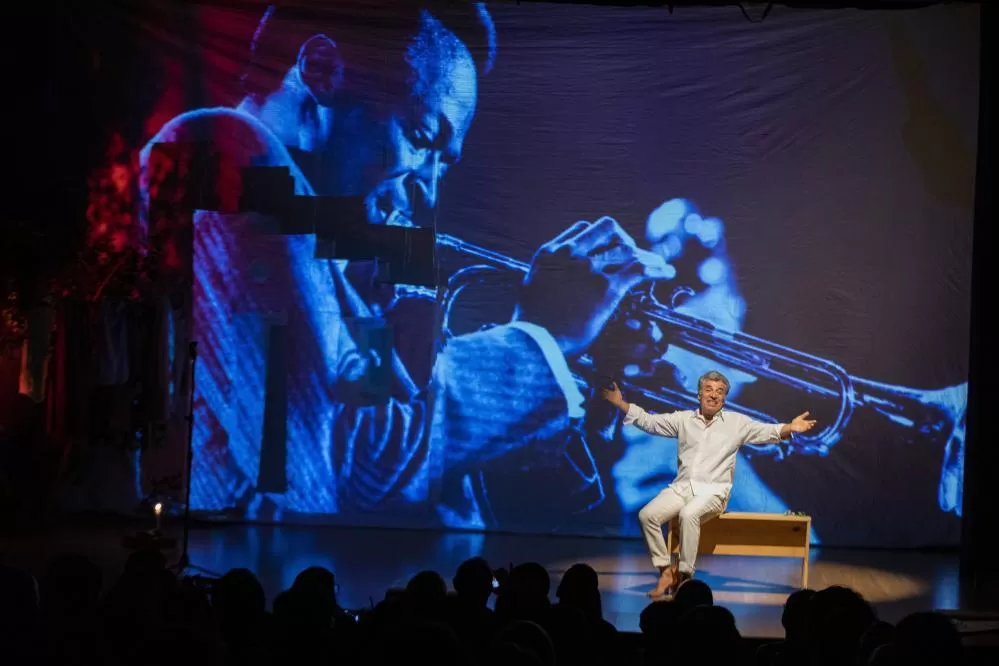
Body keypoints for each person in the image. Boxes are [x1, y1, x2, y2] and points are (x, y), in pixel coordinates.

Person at [138, 2, 669, 527]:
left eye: (445, 162)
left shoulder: (347, 239)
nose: (429, 190)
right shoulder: (221, 147)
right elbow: (334, 470)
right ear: (321, 70)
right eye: (421, 138)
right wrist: (543, 340)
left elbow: (394, 444)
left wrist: (570, 374)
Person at [600, 370, 816, 596]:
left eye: (720, 392)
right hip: (682, 487)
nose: (713, 395)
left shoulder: (736, 422)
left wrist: (791, 427)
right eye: (709, 390)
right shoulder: (683, 419)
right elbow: (650, 422)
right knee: (647, 515)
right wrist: (621, 404)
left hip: (714, 493)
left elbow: (767, 431)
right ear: (699, 394)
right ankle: (666, 571)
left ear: (724, 398)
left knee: (688, 514)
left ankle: (685, 576)